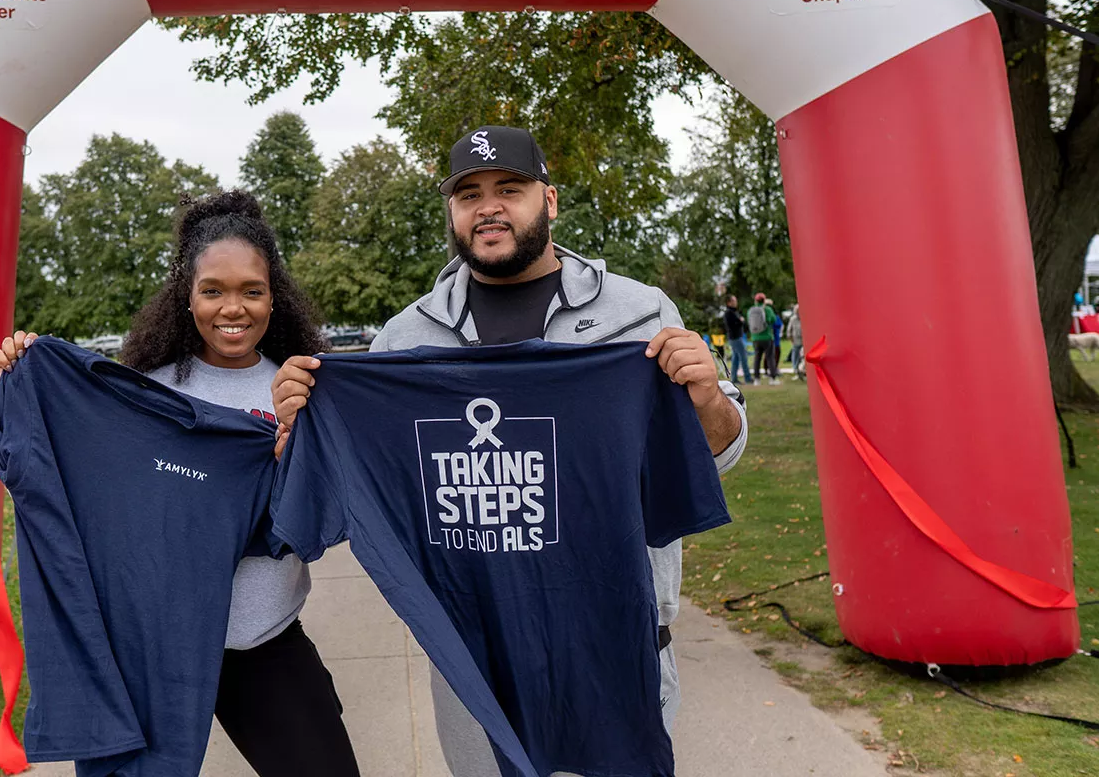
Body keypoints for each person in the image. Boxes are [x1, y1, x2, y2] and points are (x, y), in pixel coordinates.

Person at [270, 125, 747, 775]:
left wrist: (707, 399)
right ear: (451, 211)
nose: (488, 206)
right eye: (469, 194)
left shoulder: (638, 314)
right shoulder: (404, 339)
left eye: (509, 189)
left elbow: (711, 458)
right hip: (473, 662)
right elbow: (373, 491)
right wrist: (308, 429)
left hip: (613, 647)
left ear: (548, 200)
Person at [0, 190, 360, 777]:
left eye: (251, 291)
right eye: (212, 290)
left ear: (274, 298)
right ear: (186, 297)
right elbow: (58, 483)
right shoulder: (141, 397)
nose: (231, 308)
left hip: (261, 642)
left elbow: (324, 525)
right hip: (148, 649)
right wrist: (23, 384)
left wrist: (300, 457)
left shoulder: (303, 391)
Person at [747, 292, 779, 385]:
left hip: (755, 338)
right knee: (770, 357)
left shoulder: (751, 310)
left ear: (755, 300)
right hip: (767, 337)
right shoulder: (767, 309)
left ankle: (757, 379)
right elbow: (773, 320)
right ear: (764, 300)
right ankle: (772, 378)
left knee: (757, 358)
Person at [721, 294, 753, 384]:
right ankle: (748, 378)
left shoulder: (734, 312)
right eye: (734, 301)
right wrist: (740, 321)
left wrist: (740, 321)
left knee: (736, 358)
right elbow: (733, 324)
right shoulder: (729, 313)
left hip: (736, 337)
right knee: (743, 357)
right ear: (729, 302)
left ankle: (734, 378)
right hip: (735, 338)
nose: (736, 302)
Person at [785, 302, 804, 378]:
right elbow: (789, 330)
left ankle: (802, 371)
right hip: (796, 340)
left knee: (803, 357)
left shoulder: (805, 317)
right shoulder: (793, 319)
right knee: (795, 355)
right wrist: (790, 339)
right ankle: (796, 370)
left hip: (804, 341)